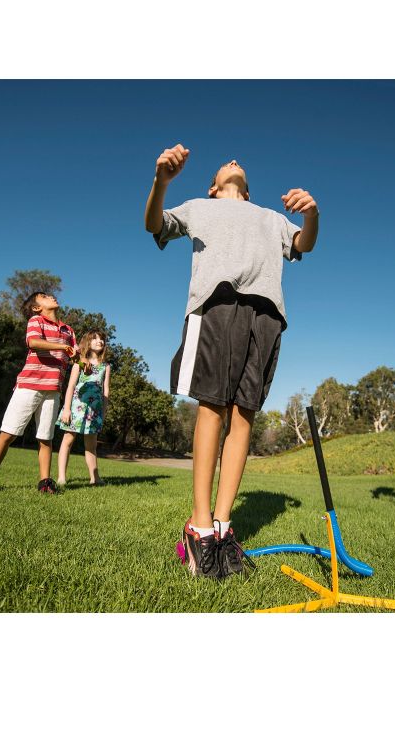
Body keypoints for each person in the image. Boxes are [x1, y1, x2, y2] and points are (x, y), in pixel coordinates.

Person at [144, 144, 319, 579]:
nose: (236, 159)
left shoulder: (270, 217)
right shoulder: (198, 207)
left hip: (267, 313)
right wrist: (160, 182)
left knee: (244, 414)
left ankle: (222, 527)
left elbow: (304, 244)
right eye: (227, 164)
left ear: (245, 190)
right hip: (217, 304)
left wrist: (312, 214)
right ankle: (199, 527)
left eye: (240, 164)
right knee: (213, 407)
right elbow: (155, 224)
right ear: (214, 185)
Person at [0, 292, 76, 494]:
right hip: (29, 386)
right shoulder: (36, 320)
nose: (52, 297)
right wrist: (62, 347)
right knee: (8, 433)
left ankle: (45, 483)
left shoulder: (68, 330)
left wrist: (83, 364)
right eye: (45, 296)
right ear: (37, 307)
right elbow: (34, 343)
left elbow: (74, 356)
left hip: (53, 390)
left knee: (45, 438)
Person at [56, 330, 111, 487]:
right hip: (76, 407)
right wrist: (66, 409)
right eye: (95, 339)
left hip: (94, 412)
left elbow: (105, 391)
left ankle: (95, 478)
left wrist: (103, 412)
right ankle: (61, 477)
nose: (99, 341)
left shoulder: (106, 366)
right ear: (88, 342)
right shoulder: (79, 362)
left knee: (91, 446)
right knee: (68, 439)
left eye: (102, 339)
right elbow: (71, 386)